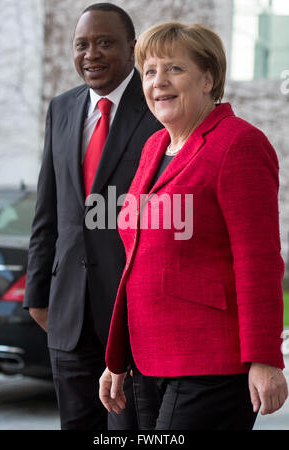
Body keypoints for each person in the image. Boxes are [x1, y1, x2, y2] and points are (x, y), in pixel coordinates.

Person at [99, 22, 288, 430]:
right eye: (149, 71)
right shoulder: (155, 146)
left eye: (174, 69)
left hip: (209, 362)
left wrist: (266, 358)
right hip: (141, 360)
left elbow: (258, 261)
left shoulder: (239, 143)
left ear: (208, 78)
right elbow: (138, 259)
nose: (159, 82)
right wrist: (117, 360)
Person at [23, 3, 162, 430]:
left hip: (132, 310)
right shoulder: (62, 108)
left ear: (132, 48)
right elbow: (48, 208)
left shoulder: (159, 104)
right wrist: (37, 294)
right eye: (82, 44)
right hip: (67, 310)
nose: (91, 54)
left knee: (129, 431)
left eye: (105, 43)